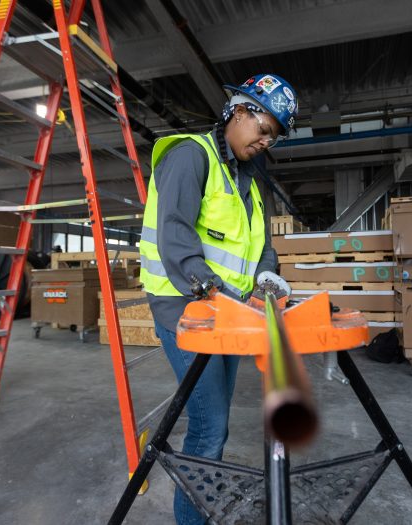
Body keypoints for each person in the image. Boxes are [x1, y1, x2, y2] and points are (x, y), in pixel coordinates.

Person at [139, 73, 298, 525]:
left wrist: (266, 281)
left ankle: (202, 508)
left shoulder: (249, 179)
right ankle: (193, 520)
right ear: (238, 110)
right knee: (209, 429)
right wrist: (225, 297)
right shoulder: (191, 156)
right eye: (264, 128)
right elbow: (176, 242)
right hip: (187, 310)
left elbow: (262, 243)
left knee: (217, 423)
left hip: (227, 313)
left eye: (274, 137)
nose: (266, 142)